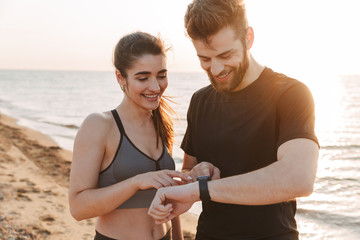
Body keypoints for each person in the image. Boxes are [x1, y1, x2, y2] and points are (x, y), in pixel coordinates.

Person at [148, 0, 320, 239]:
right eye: (205, 59)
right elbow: (189, 170)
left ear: (248, 38)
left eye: (225, 55)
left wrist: (202, 190)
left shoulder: (290, 94)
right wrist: (196, 173)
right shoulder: (200, 101)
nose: (216, 69)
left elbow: (298, 179)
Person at [68, 31, 192, 240]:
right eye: (143, 77)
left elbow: (170, 200)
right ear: (120, 77)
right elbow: (78, 207)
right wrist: (136, 182)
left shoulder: (161, 123)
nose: (155, 87)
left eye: (161, 75)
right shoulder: (99, 125)